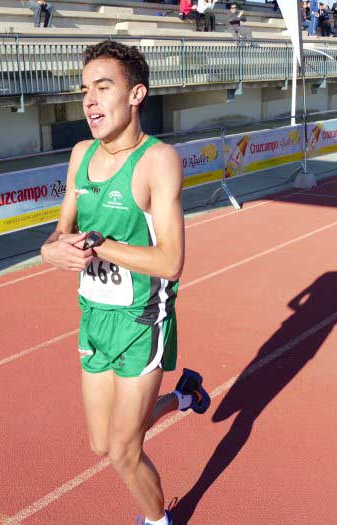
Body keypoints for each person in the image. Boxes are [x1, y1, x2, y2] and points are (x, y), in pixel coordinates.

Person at [40, 40, 210, 525]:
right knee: (102, 443)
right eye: (84, 90)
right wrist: (50, 247)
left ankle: (158, 521)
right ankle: (184, 396)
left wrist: (98, 245)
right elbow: (61, 229)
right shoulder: (79, 155)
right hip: (93, 317)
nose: (90, 101)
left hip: (141, 320)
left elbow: (171, 262)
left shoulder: (158, 160)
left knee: (122, 451)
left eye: (103, 87)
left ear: (137, 95)